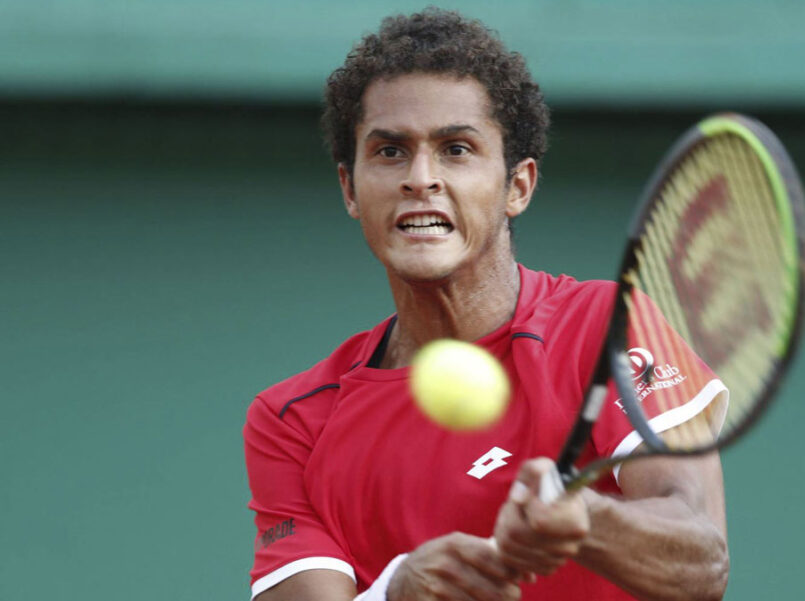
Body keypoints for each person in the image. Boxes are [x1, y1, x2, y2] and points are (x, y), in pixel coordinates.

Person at [244, 8, 729, 601]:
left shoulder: (606, 326)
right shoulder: (292, 420)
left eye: (456, 149)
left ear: (517, 187)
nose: (420, 178)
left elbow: (701, 563)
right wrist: (398, 592)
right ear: (350, 188)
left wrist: (586, 522)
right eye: (391, 152)